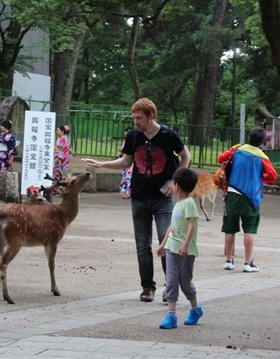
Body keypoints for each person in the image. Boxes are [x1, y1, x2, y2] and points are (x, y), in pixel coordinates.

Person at [82, 98, 191, 302]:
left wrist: (175, 180)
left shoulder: (168, 135)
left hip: (162, 199)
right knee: (142, 244)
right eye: (134, 118)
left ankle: (170, 287)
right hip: (139, 197)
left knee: (166, 241)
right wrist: (102, 164)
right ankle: (147, 287)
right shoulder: (133, 136)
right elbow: (126, 161)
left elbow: (186, 156)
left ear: (151, 116)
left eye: (139, 118)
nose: (136, 122)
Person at [217, 127, 277, 272]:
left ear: (249, 137)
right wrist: (260, 178)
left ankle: (229, 260)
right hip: (251, 198)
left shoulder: (237, 149)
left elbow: (220, 158)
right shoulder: (262, 157)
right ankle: (248, 263)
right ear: (262, 142)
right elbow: (273, 176)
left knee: (230, 228)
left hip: (232, 194)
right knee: (249, 229)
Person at [156, 168, 203, 329]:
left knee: (185, 282)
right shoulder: (177, 204)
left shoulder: (189, 203)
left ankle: (195, 309)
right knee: (171, 281)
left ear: (177, 185)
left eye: (173, 183)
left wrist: (185, 244)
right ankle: (171, 315)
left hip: (186, 251)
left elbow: (191, 225)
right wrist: (163, 244)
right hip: (171, 248)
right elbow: (172, 226)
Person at [119, 126, 133, 199]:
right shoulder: (125, 141)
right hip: (124, 161)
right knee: (125, 177)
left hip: (130, 162)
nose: (126, 133)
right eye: (126, 132)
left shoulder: (133, 141)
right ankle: (124, 191)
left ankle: (128, 192)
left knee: (129, 177)